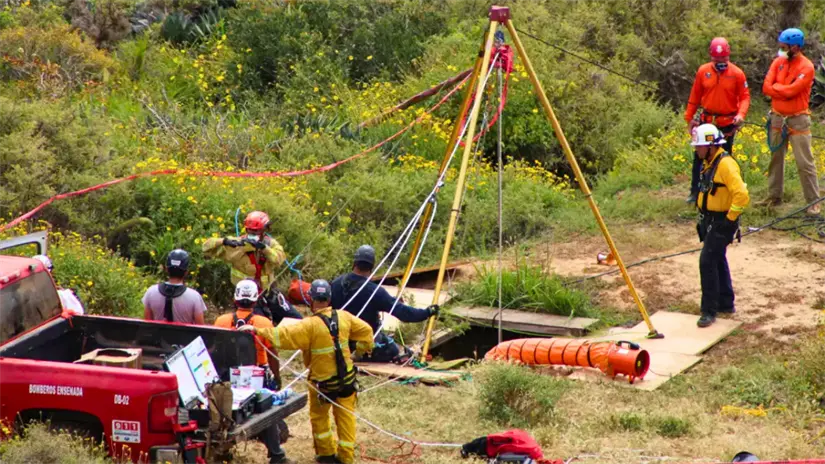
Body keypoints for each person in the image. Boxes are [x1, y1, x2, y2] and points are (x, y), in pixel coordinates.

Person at [240, 279, 374, 464]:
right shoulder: (345, 317)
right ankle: (346, 457)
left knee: (319, 418)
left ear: (311, 299)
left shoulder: (309, 325)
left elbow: (282, 335)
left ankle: (326, 454)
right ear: (329, 298)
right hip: (347, 382)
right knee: (346, 420)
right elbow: (367, 332)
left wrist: (256, 330)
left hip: (322, 385)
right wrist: (358, 352)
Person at [215, 279, 293, 464]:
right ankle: (276, 454)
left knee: (223, 413)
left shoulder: (221, 321)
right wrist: (277, 377)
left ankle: (221, 451)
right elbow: (272, 354)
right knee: (268, 412)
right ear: (255, 300)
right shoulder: (263, 322)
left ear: (235, 299)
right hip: (257, 377)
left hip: (227, 376)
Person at [331, 245, 439, 363]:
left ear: (354, 263)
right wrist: (427, 312)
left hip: (338, 342)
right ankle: (362, 355)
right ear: (372, 267)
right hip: (362, 344)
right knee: (393, 349)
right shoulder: (374, 292)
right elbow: (404, 314)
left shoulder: (336, 284)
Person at [692, 124, 750, 328]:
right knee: (717, 258)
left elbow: (741, 195)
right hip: (711, 220)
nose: (696, 149)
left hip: (722, 221)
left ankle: (709, 310)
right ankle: (726, 302)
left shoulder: (726, 165)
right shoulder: (710, 162)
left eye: (699, 146)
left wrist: (730, 219)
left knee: (707, 261)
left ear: (711, 146)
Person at [761, 28, 821, 215]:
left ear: (795, 47)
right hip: (777, 117)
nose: (781, 49)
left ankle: (813, 202)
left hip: (798, 119)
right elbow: (766, 87)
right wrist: (780, 89)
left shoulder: (807, 67)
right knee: (775, 159)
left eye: (784, 46)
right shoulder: (778, 62)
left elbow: (792, 91)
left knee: (805, 162)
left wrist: (777, 88)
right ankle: (774, 197)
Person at [684, 37, 750, 204]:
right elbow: (695, 96)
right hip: (707, 122)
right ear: (711, 56)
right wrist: (689, 118)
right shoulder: (703, 71)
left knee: (724, 158)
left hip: (727, 124)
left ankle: (725, 191)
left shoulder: (737, 73)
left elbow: (744, 97)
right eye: (716, 58)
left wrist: (741, 114)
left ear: (728, 56)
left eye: (723, 58)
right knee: (699, 157)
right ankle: (695, 192)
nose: (720, 61)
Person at [202, 211, 287, 290]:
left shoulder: (271, 244)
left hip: (264, 291)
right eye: (249, 230)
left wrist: (264, 248)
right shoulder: (236, 243)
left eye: (256, 231)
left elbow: (279, 260)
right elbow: (205, 247)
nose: (252, 233)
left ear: (265, 230)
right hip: (241, 291)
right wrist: (224, 241)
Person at [142, 249, 206, 325]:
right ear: (186, 272)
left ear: (166, 269)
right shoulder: (194, 297)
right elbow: (200, 328)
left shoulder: (151, 292)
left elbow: (147, 324)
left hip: (157, 333)